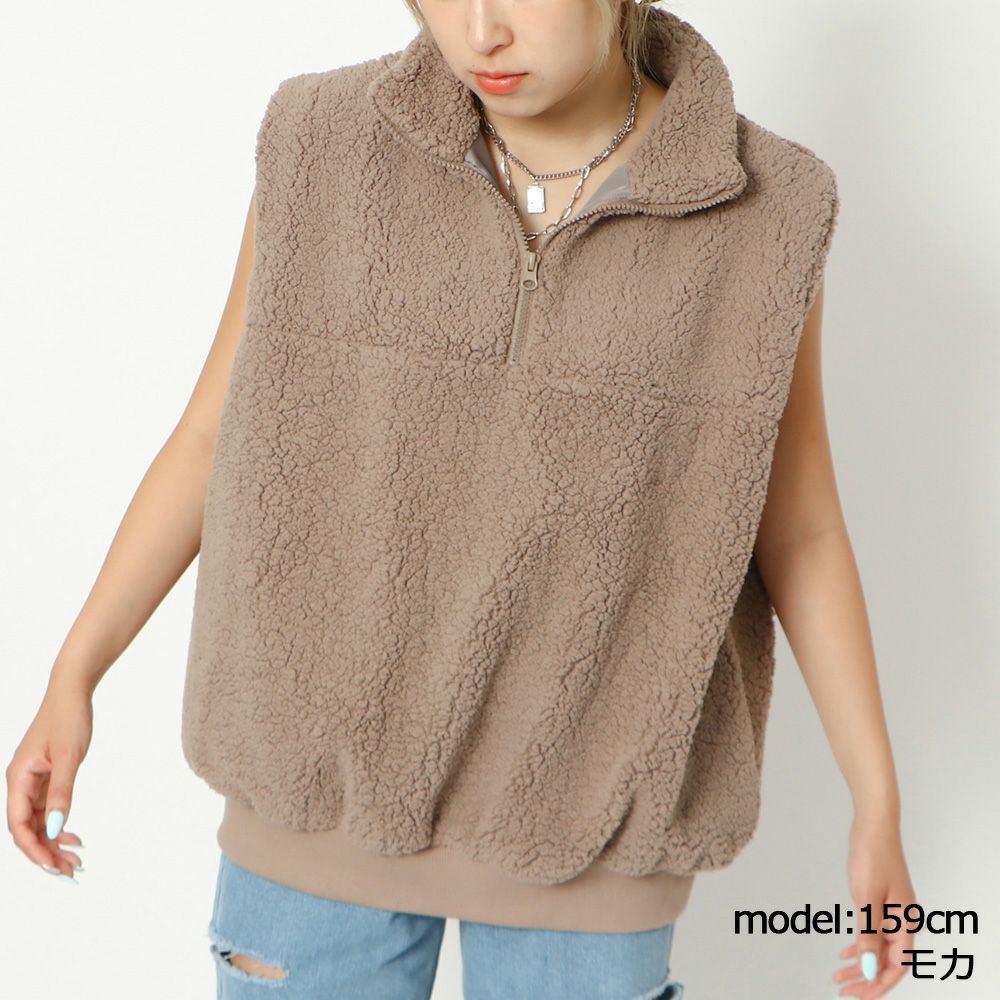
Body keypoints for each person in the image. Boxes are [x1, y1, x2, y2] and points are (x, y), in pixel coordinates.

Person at [6, 2, 918, 998]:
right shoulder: (321, 142)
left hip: (589, 826)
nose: (480, 32)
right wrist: (75, 670)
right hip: (314, 798)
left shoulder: (769, 207)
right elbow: (211, 433)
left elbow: (799, 528)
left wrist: (875, 801)